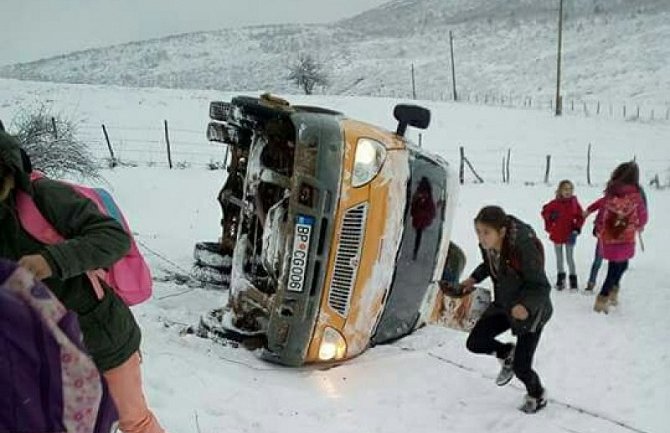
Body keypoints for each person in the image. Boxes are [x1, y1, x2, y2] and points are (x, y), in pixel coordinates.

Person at [0, 129, 166, 433]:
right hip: (38, 353)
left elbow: (114, 238)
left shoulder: (45, 196)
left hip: (100, 339)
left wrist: (52, 261)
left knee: (134, 422)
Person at [458, 206, 553, 413]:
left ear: (501, 232)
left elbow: (541, 286)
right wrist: (473, 278)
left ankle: (537, 395)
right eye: (478, 232)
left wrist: (525, 306)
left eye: (486, 233)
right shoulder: (488, 243)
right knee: (475, 342)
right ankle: (506, 352)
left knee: (521, 367)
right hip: (504, 302)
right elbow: (489, 264)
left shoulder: (523, 246)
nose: (481, 238)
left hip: (531, 311)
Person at [592, 162, 648, 313]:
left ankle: (611, 290)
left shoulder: (611, 191)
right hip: (627, 236)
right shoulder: (636, 196)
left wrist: (598, 226)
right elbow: (643, 216)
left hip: (610, 235)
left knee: (616, 265)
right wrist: (638, 225)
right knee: (619, 266)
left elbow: (603, 210)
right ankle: (604, 296)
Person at [541, 180, 584, 290]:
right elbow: (545, 211)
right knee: (559, 258)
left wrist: (577, 227)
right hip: (557, 234)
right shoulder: (555, 203)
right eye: (565, 189)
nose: (568, 192)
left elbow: (580, 216)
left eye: (570, 189)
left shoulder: (574, 203)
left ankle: (573, 279)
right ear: (560, 190)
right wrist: (551, 216)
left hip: (570, 234)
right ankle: (561, 278)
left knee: (570, 258)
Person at [410, 176, 436, 260]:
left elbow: (415, 204)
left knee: (418, 234)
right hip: (420, 218)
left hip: (419, 218)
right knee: (418, 234)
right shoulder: (426, 194)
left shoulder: (422, 194)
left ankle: (415, 252)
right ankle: (415, 252)